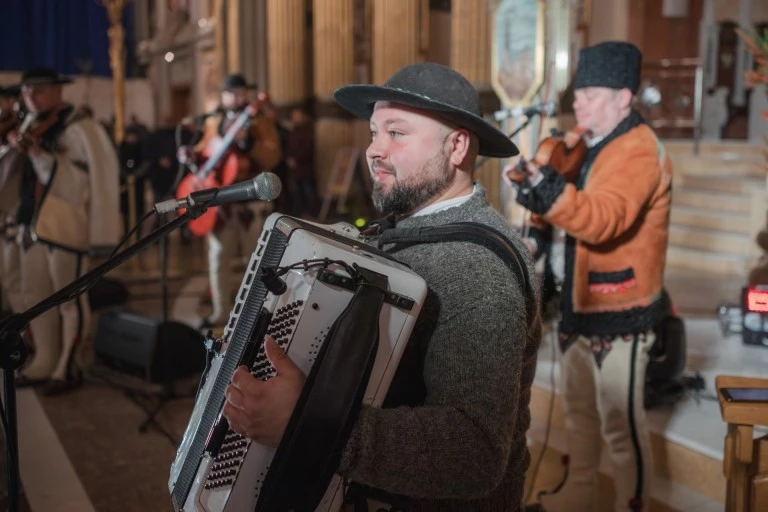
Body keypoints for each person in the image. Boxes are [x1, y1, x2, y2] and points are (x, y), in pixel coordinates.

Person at [222, 62, 542, 511]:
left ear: (457, 146)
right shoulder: (400, 232)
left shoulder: (479, 271)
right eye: (374, 132)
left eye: (396, 133)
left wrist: (308, 425)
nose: (374, 149)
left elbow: (475, 452)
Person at [504, 42, 672, 512]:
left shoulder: (639, 150)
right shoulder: (583, 145)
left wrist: (545, 187)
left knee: (622, 426)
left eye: (591, 94)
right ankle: (577, 495)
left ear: (624, 97)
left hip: (619, 306)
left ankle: (630, 504)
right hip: (577, 302)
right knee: (579, 417)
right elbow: (559, 210)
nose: (577, 104)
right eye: (577, 94)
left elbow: (601, 219)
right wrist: (532, 231)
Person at [7, 67, 120, 395]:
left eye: (39, 90)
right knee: (36, 297)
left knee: (68, 300)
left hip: (66, 227)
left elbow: (79, 184)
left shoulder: (78, 129)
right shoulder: (28, 126)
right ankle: (44, 359)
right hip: (31, 225)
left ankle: (68, 366)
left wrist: (40, 156)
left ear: (58, 92)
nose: (31, 96)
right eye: (27, 91)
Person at [178, 74, 281, 328]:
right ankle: (220, 312)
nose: (235, 97)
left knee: (254, 258)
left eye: (240, 92)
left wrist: (248, 142)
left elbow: (272, 156)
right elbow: (206, 149)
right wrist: (191, 154)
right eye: (231, 92)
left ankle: (256, 314)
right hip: (219, 201)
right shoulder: (214, 121)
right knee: (218, 258)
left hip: (249, 202)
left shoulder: (260, 121)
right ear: (223, 96)